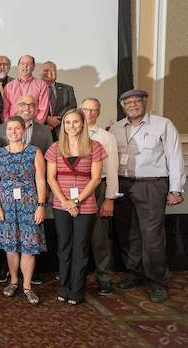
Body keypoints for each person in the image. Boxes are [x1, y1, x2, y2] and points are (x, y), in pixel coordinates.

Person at [109, 89, 185, 303]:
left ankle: (158, 282)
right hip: (123, 186)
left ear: (144, 103)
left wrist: (175, 189)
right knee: (127, 235)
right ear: (122, 106)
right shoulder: (115, 128)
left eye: (137, 101)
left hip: (151, 185)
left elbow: (175, 157)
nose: (132, 105)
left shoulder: (163, 124)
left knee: (152, 237)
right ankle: (135, 274)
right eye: (128, 102)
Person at [45, 109, 106, 305]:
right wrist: (65, 202)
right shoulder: (55, 147)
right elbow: (50, 178)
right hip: (60, 204)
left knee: (80, 248)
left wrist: (76, 201)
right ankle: (63, 287)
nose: (71, 126)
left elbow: (96, 179)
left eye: (75, 122)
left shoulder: (95, 146)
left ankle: (77, 290)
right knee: (64, 247)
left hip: (85, 204)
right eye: (67, 122)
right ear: (63, 126)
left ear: (82, 124)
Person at [0, 93, 53, 285]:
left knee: (28, 247)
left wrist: (41, 205)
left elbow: (41, 181)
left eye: (17, 128)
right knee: (10, 247)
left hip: (29, 205)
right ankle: (14, 281)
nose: (13, 132)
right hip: (6, 206)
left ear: (24, 129)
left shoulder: (35, 152)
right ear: (5, 131)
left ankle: (26, 285)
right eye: (9, 129)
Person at [80, 98, 119, 296]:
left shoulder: (106, 137)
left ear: (99, 113)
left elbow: (112, 170)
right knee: (75, 235)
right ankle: (74, 275)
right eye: (85, 109)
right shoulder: (70, 132)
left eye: (93, 110)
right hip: (74, 188)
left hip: (98, 189)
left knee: (99, 235)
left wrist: (109, 198)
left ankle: (104, 277)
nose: (89, 113)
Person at [2, 55, 48, 124]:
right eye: (22, 63)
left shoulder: (41, 85)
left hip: (34, 126)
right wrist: (10, 125)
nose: (25, 66)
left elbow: (43, 110)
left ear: (33, 67)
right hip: (13, 127)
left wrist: (36, 126)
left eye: (29, 64)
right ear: (18, 67)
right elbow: (5, 110)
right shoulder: (9, 86)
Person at [40, 61, 77, 140]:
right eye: (46, 70)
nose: (49, 73)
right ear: (40, 74)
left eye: (52, 70)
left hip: (62, 131)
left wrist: (55, 121)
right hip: (42, 130)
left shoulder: (67, 89)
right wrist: (48, 119)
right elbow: (34, 109)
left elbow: (72, 106)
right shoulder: (34, 90)